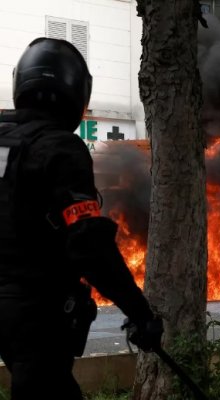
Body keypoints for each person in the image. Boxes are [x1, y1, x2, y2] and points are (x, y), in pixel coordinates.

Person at [0, 37, 163, 399]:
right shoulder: (60, 148)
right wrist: (140, 312)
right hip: (33, 317)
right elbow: (89, 244)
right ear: (76, 92)